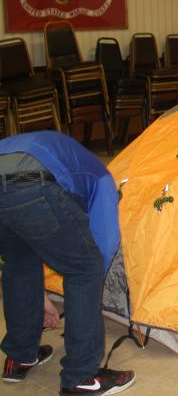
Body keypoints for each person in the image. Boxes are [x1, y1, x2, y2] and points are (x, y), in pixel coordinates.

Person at [0, 131, 135, 395]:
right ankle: (81, 376)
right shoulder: (102, 178)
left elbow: (15, 255)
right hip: (32, 180)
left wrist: (40, 297)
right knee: (85, 269)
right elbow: (105, 243)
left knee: (18, 264)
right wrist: (94, 287)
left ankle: (19, 356)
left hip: (14, 178)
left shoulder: (66, 157)